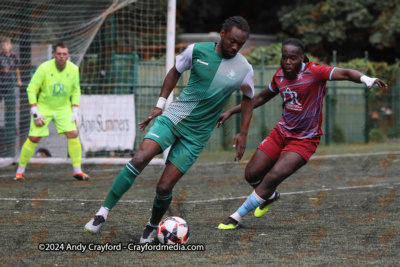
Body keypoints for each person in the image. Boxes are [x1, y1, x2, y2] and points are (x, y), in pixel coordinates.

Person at [84, 16, 255, 243]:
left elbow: (248, 98)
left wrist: (243, 132)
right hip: (173, 118)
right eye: (232, 40)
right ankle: (102, 213)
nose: (235, 47)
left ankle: (152, 226)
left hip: (196, 136)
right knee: (139, 158)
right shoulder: (196, 51)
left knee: (164, 186)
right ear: (222, 34)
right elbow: (175, 70)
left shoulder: (244, 68)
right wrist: (160, 105)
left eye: (240, 44)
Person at [217, 38, 388, 229]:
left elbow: (346, 73)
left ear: (301, 58)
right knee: (251, 174)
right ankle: (270, 196)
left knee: (273, 177)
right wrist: (231, 111)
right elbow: (260, 98)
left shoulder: (314, 71)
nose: (287, 62)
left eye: (292, 58)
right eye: (284, 58)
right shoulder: (280, 76)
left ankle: (235, 217)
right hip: (280, 133)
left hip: (304, 140)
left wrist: (366, 79)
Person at [14, 43, 90, 181]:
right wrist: (34, 111)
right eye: (59, 54)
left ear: (68, 56)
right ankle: (19, 171)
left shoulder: (73, 69)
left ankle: (77, 171)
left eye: (64, 54)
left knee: (73, 133)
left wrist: (75, 111)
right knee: (34, 138)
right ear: (54, 55)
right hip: (44, 107)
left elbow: (76, 90)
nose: (61, 57)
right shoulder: (44, 68)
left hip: (63, 108)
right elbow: (31, 88)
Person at [0, 37, 22, 157]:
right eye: (2, 44)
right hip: (1, 84)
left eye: (6, 44)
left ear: (10, 46)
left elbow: (17, 69)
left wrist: (18, 80)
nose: (4, 46)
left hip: (9, 84)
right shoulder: (0, 56)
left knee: (10, 108)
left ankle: (12, 130)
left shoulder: (13, 56)